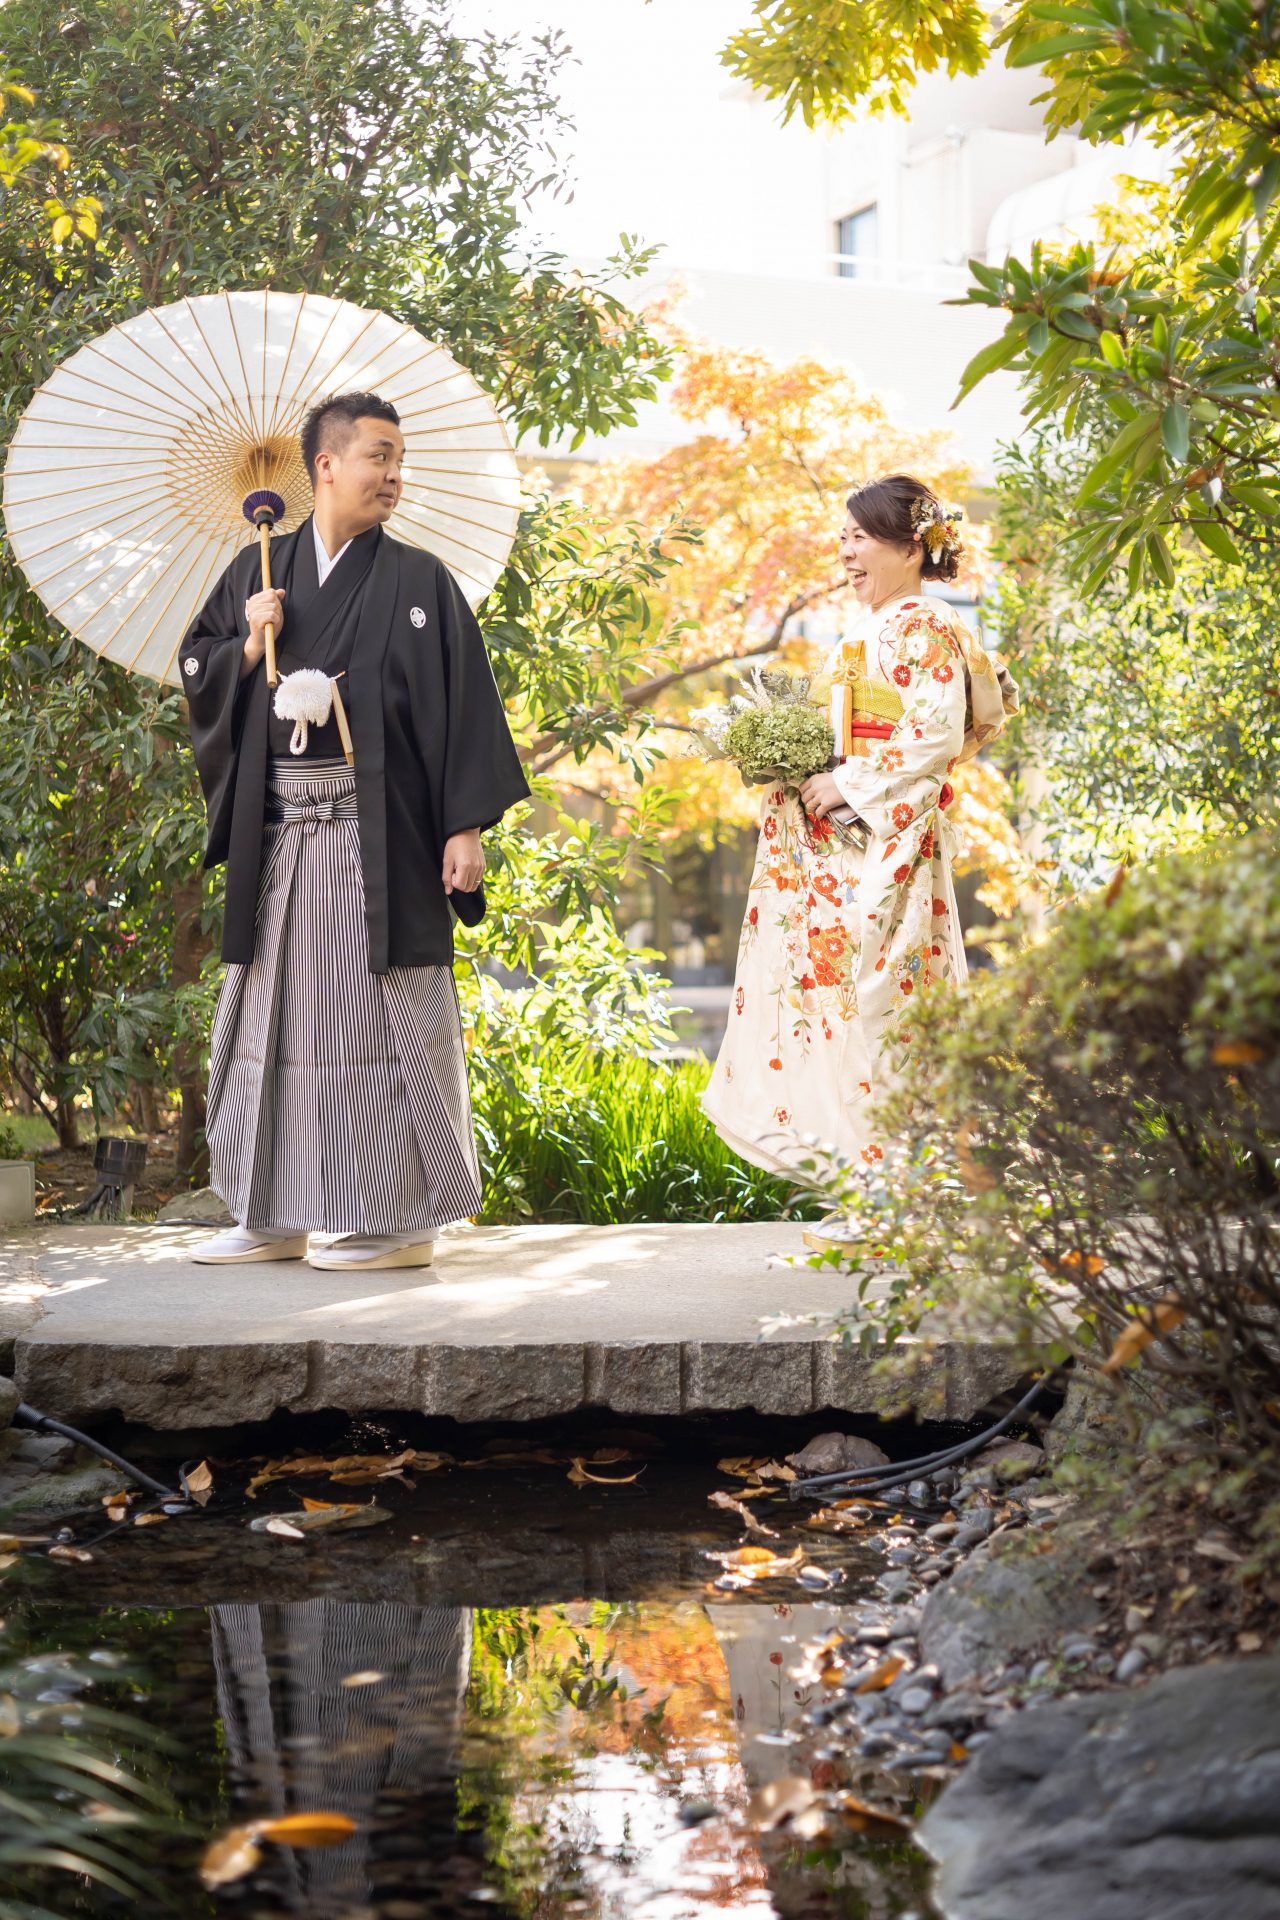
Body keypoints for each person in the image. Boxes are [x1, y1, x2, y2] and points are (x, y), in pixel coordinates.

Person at [180, 392, 529, 1269]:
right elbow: (200, 669)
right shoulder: (257, 573)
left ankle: (397, 1218)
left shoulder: (420, 583)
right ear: (324, 466)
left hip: (380, 841)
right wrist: (250, 647)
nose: (394, 475)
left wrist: (465, 826)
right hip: (280, 839)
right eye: (378, 456)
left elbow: (463, 710)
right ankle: (272, 1210)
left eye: (398, 459)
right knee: (270, 1023)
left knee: (378, 1027)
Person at [702, 472, 1016, 1181]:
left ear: (912, 547)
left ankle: (902, 1187)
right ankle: (875, 1183)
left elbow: (934, 731)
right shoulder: (882, 625)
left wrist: (844, 781)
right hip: (862, 835)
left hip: (884, 842)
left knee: (881, 1002)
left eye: (862, 537)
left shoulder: (924, 622)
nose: (846, 551)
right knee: (848, 1003)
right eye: (843, 536)